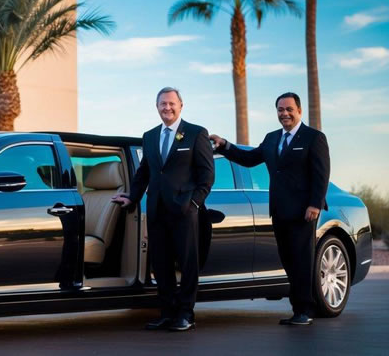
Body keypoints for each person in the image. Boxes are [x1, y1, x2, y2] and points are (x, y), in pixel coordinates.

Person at [209, 92, 330, 326]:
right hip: (279, 210)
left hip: (304, 212)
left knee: (302, 260)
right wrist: (224, 146)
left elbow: (321, 173)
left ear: (299, 111)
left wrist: (315, 204)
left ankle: (305, 309)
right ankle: (299, 310)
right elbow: (249, 158)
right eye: (280, 110)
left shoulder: (313, 138)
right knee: (288, 260)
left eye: (288, 109)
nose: (284, 114)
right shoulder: (272, 138)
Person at [111, 87, 214, 331]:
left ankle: (186, 314)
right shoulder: (150, 136)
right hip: (156, 209)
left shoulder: (196, 134)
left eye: (171, 104)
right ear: (156, 107)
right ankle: (167, 312)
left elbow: (207, 175)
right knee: (161, 264)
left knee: (188, 264)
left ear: (181, 105)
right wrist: (133, 198)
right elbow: (145, 171)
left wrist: (194, 204)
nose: (167, 108)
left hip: (185, 211)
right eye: (162, 104)